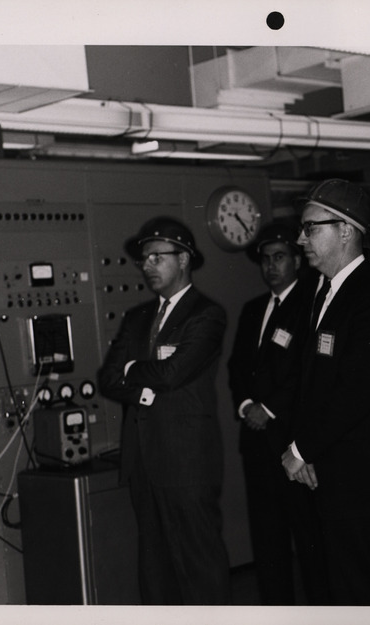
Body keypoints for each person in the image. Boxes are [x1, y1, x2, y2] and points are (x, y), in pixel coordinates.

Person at [281, 179, 370, 605]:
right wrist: (307, 451)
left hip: (360, 482)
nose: (301, 240)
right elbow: (312, 384)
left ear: (347, 231)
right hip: (329, 477)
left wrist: (301, 449)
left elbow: (357, 390)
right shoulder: (324, 292)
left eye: (311, 228)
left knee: (368, 592)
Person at [97, 216, 230, 605]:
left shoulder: (206, 314)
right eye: (145, 259)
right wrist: (141, 385)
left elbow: (173, 374)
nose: (148, 266)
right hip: (144, 461)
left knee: (199, 564)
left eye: (158, 257)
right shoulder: (138, 318)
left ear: (185, 258)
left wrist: (133, 370)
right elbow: (108, 379)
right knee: (156, 569)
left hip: (187, 462)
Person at [227, 221, 328, 605]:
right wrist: (246, 406)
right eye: (266, 259)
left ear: (297, 260)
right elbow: (237, 368)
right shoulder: (254, 309)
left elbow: (306, 372)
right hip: (256, 446)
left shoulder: (311, 303)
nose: (271, 266)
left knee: (310, 543)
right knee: (268, 545)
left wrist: (268, 409)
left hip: (293, 445)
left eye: (280, 257)